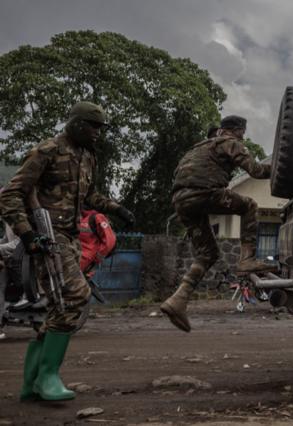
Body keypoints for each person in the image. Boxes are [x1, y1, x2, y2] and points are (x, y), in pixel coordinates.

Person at [0, 101, 135, 401]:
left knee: (60, 307)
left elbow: (88, 195)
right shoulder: (47, 151)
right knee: (75, 296)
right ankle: (48, 377)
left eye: (100, 128)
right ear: (76, 124)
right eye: (92, 126)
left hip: (72, 237)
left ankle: (32, 383)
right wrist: (27, 234)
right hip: (48, 235)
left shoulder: (88, 155)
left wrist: (117, 208)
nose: (98, 133)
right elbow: (11, 194)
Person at [160, 115, 272, 333]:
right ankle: (246, 259)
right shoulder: (230, 142)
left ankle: (178, 300)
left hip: (181, 201)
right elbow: (257, 171)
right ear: (237, 130)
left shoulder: (198, 147)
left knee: (207, 254)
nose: (243, 136)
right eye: (243, 132)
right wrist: (284, 167)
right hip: (205, 193)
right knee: (249, 206)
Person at [78, 209, 117, 274]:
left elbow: (110, 242)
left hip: (85, 265)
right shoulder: (78, 217)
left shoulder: (97, 217)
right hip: (75, 260)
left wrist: (95, 260)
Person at [0, 216, 20, 340]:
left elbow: (19, 243)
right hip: (12, 259)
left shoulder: (18, 217)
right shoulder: (8, 217)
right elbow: (7, 239)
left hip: (20, 264)